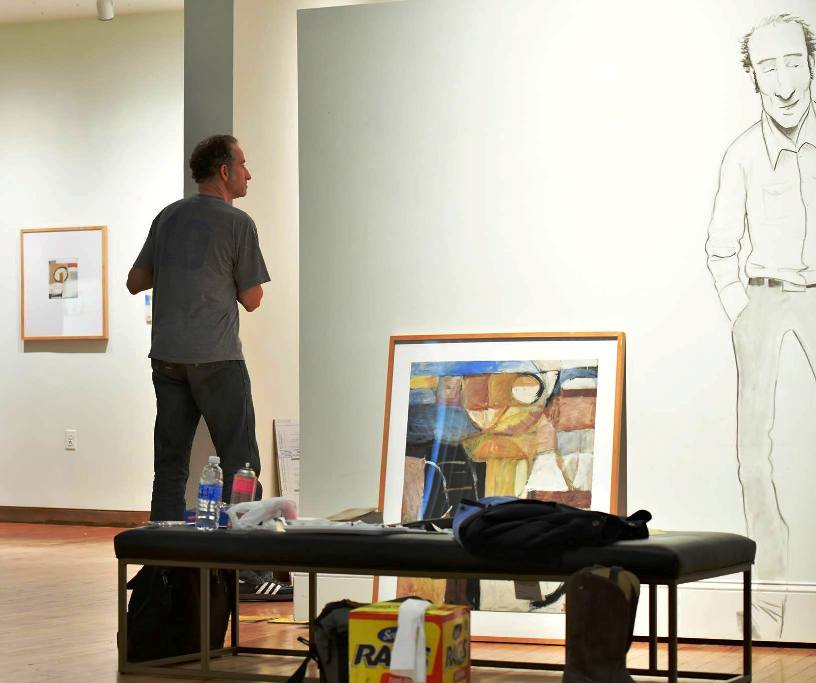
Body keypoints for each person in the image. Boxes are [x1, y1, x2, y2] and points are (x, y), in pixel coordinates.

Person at [706, 13, 816, 638]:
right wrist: (740, 308)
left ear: (812, 63)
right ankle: (770, 594)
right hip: (763, 298)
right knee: (754, 449)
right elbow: (720, 245)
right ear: (754, 79)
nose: (784, 82)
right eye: (768, 67)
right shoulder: (743, 154)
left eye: (794, 62)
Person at [126, 134, 269, 522]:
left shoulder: (167, 216)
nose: (248, 174)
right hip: (218, 358)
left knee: (170, 465)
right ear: (225, 171)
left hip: (167, 359)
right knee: (242, 464)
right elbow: (253, 299)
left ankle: (164, 568)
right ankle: (241, 567)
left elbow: (134, 281)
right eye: (243, 165)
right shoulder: (239, 223)